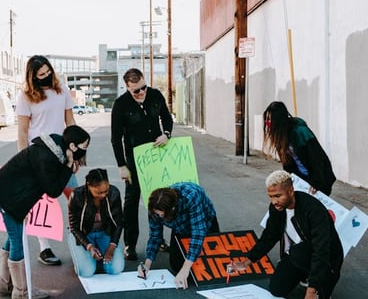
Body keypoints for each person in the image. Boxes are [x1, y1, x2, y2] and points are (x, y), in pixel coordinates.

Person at [0, 125, 90, 299]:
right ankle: (22, 291)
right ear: (72, 146)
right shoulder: (47, 157)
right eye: (84, 147)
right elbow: (53, 190)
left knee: (13, 236)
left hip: (9, 193)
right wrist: (69, 166)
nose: (85, 151)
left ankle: (4, 285)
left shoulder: (54, 148)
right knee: (17, 240)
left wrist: (67, 165)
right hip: (7, 195)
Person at [229, 170, 343, 299]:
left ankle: (317, 282)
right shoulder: (277, 208)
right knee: (276, 289)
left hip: (327, 260)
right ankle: (305, 275)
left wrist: (312, 290)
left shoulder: (313, 209)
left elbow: (321, 250)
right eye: (271, 196)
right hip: (299, 254)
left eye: (278, 196)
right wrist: (247, 262)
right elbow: (269, 236)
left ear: (290, 191)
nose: (274, 201)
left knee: (301, 254)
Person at [16, 54, 77, 266]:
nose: (46, 76)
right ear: (33, 77)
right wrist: (24, 160)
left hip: (62, 153)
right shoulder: (25, 97)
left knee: (75, 197)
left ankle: (80, 240)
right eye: (41, 74)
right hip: (38, 155)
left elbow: (70, 122)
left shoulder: (62, 91)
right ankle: (45, 248)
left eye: (48, 72)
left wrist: (75, 152)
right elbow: (22, 132)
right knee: (41, 203)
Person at [110, 68, 174, 260]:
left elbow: (167, 119)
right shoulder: (121, 104)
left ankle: (159, 239)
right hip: (134, 160)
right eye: (136, 90)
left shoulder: (155, 95)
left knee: (158, 199)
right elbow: (116, 138)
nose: (141, 93)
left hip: (157, 156)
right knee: (131, 202)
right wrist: (122, 165)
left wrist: (167, 135)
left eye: (143, 88)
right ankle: (130, 244)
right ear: (127, 88)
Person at [137, 182, 219, 290]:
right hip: (180, 228)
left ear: (172, 209)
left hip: (204, 221)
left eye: (161, 215)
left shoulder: (192, 196)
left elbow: (198, 233)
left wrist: (186, 269)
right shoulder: (154, 208)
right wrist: (147, 264)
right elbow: (155, 236)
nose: (158, 216)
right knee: (176, 265)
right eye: (157, 214)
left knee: (211, 265)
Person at [263, 101, 337, 195]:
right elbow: (288, 164)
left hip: (319, 179)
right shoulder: (280, 136)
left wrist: (316, 183)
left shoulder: (301, 132)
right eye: (266, 119)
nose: (267, 122)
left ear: (278, 120)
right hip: (302, 180)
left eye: (270, 119)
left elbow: (316, 159)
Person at [67, 168, 125, 277]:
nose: (103, 195)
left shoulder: (114, 193)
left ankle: (97, 255)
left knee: (115, 269)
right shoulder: (77, 196)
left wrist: (112, 246)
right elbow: (74, 227)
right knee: (86, 272)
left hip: (104, 231)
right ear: (89, 186)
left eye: (106, 191)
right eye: (99, 192)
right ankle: (84, 256)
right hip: (83, 233)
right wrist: (88, 246)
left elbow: (119, 222)